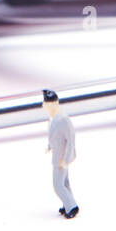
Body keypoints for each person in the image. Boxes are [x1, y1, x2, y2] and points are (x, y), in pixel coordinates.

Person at [43, 90, 79, 218]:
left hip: (61, 158)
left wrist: (66, 158)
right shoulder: (52, 118)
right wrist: (49, 147)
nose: (44, 106)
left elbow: (70, 138)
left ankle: (72, 206)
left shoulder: (63, 118)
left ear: (54, 103)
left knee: (58, 185)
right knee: (65, 183)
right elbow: (55, 137)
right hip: (57, 155)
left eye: (47, 104)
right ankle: (67, 204)